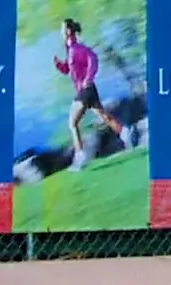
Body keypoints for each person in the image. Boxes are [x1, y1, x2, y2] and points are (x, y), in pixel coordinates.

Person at [54, 19, 132, 171]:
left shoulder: (78, 48)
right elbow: (68, 70)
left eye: (62, 29)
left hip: (85, 91)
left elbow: (93, 59)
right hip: (87, 90)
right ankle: (125, 132)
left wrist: (88, 78)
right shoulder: (70, 50)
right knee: (104, 116)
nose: (61, 33)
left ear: (69, 31)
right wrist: (59, 65)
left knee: (73, 123)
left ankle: (80, 156)